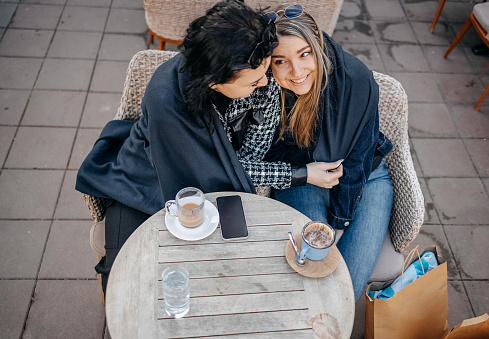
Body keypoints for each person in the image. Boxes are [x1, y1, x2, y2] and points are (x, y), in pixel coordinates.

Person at [75, 0, 285, 294]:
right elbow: (218, 170)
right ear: (214, 82)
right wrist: (298, 174)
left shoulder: (253, 68)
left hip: (204, 176)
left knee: (226, 275)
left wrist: (263, 97)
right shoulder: (167, 100)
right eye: (253, 81)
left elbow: (242, 156)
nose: (265, 82)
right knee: (126, 276)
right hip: (144, 179)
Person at [262, 5, 394, 301]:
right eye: (281, 61)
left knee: (345, 289)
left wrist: (338, 223)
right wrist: (304, 174)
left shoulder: (355, 81)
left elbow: (359, 159)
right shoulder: (264, 86)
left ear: (318, 47)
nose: (296, 73)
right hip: (303, 176)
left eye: (304, 54)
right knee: (305, 276)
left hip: (366, 178)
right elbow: (264, 152)